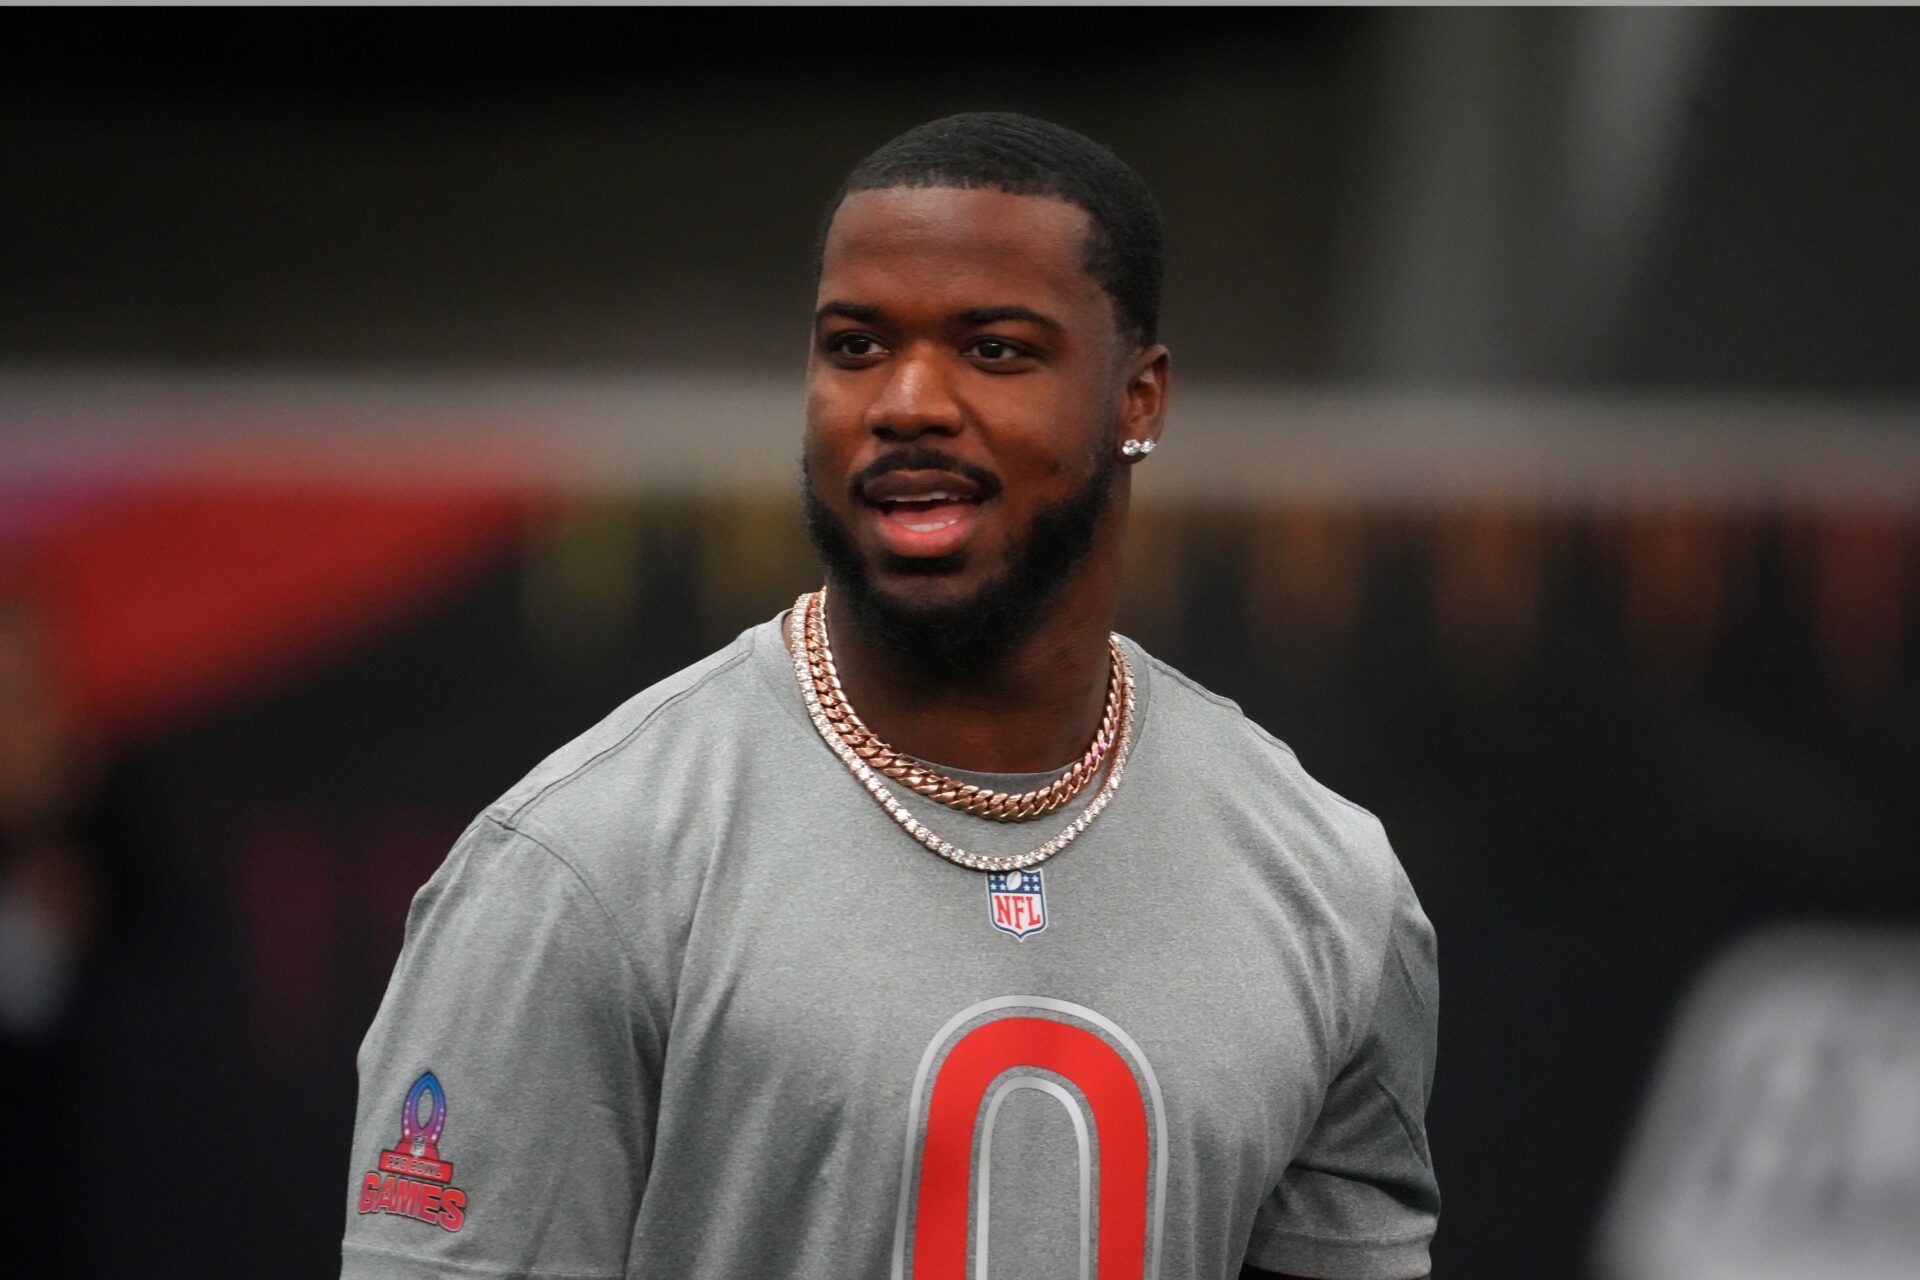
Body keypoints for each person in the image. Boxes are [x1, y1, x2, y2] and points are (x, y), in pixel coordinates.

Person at [342, 111, 1439, 1280]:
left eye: (996, 348)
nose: (907, 401)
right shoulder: (582, 864)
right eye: (856, 346)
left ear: (1140, 399)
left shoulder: (1328, 882)